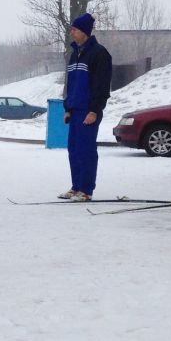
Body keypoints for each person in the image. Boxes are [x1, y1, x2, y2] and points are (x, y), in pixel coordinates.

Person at [60, 13, 112, 201]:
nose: (71, 32)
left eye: (74, 29)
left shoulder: (99, 53)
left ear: (84, 31)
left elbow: (102, 86)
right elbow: (71, 84)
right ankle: (76, 187)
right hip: (75, 110)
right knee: (73, 149)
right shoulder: (75, 54)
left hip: (88, 111)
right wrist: (68, 107)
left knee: (86, 150)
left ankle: (86, 190)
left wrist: (94, 110)